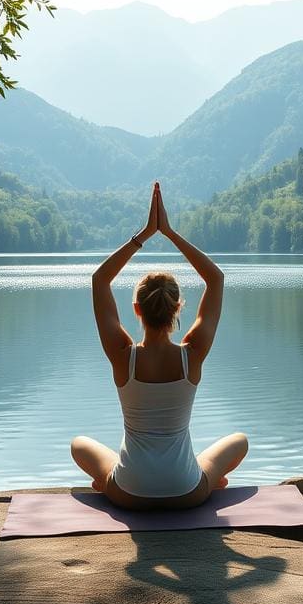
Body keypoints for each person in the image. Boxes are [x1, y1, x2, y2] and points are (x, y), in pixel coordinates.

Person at [71, 182, 249, 510]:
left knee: (79, 444)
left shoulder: (123, 357)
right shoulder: (191, 355)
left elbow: (99, 280)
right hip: (186, 492)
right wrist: (169, 232)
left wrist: (144, 235)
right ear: (178, 308)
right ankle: (208, 480)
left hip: (130, 494)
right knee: (239, 441)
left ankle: (108, 483)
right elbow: (216, 279)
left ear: (136, 309)